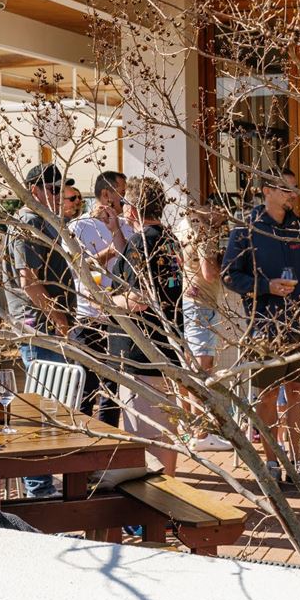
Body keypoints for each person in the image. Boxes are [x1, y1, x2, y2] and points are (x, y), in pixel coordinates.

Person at [222, 172, 300, 491]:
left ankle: (299, 464)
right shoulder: (246, 229)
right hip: (264, 324)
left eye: (295, 188)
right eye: (286, 188)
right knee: (268, 393)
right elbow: (229, 275)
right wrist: (265, 287)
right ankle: (271, 464)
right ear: (266, 190)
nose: (293, 194)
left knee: (298, 391)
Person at [3, 163, 76, 497]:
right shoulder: (28, 222)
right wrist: (60, 321)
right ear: (34, 190)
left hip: (46, 324)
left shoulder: (45, 220)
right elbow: (29, 281)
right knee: (43, 405)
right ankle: (38, 484)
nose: (59, 194)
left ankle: (42, 480)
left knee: (51, 403)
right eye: (52, 189)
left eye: (61, 188)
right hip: (39, 326)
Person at [108, 176, 184, 475]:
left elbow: (139, 298)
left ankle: (159, 498)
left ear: (133, 208)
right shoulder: (166, 239)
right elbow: (142, 273)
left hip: (141, 351)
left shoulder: (141, 243)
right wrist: (117, 232)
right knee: (165, 430)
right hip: (166, 345)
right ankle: (169, 489)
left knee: (145, 434)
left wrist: (107, 301)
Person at [66, 171, 130, 424]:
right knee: (85, 387)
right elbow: (78, 269)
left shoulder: (125, 225)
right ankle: (82, 438)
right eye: (122, 194)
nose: (126, 199)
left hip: (118, 317)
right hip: (88, 318)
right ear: (106, 194)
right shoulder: (78, 227)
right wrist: (109, 253)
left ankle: (109, 437)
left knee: (113, 389)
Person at [174, 201, 231, 452]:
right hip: (202, 303)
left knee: (188, 367)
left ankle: (187, 427)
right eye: (222, 213)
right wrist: (228, 265)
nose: (224, 218)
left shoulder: (183, 226)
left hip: (188, 300)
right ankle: (201, 433)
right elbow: (209, 272)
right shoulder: (204, 233)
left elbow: (180, 260)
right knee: (202, 368)